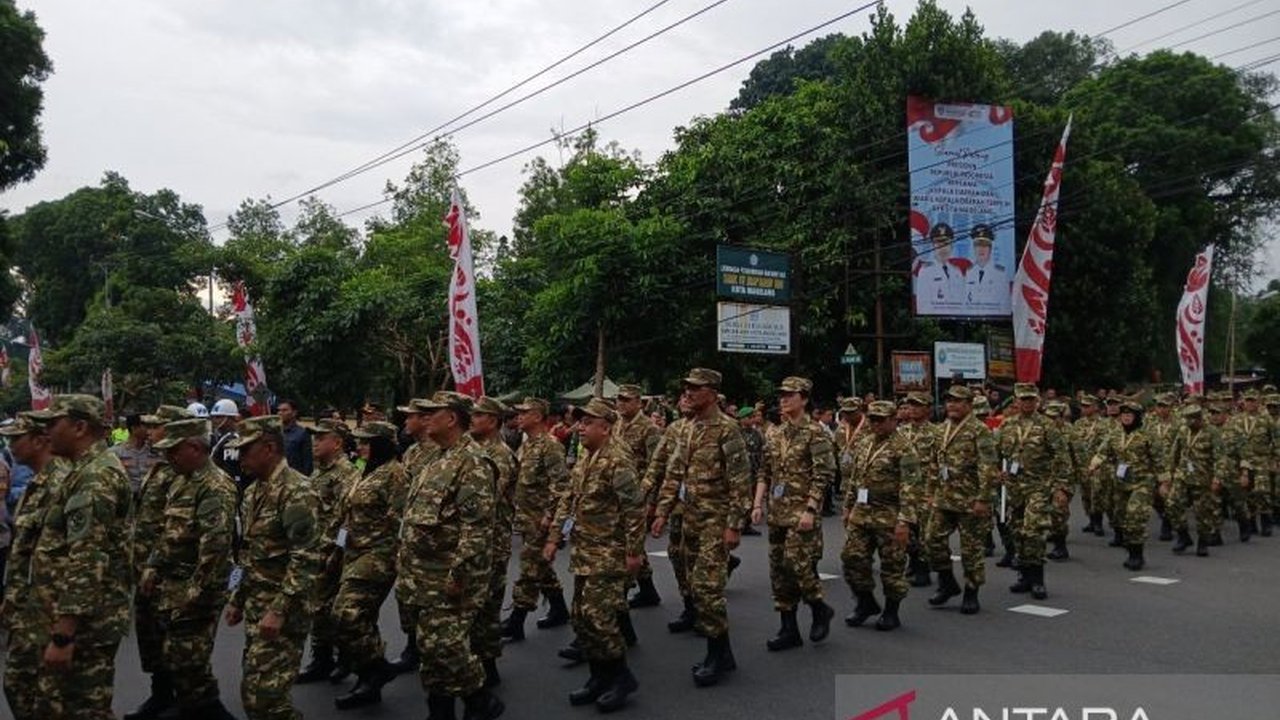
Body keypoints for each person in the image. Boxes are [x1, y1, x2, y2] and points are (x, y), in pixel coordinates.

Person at [396, 392, 504, 720]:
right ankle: (440, 710)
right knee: (429, 649)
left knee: (446, 645)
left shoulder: (472, 462)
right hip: (421, 574)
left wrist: (459, 574)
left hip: (449, 575)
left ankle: (481, 701)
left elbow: (477, 528)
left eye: (432, 413)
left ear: (452, 418)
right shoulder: (435, 459)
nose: (425, 418)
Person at [28, 395, 133, 718]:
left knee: (82, 708)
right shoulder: (84, 469)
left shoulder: (95, 476)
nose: (46, 432)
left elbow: (88, 557)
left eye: (52, 423)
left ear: (79, 427)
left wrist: (64, 633)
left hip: (87, 624)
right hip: (82, 618)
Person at [544, 397, 645, 712]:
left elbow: (634, 509)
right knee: (582, 618)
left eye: (587, 423)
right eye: (580, 422)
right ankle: (598, 676)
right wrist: (553, 537)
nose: (580, 428)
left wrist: (634, 552)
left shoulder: (617, 460)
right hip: (585, 552)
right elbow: (568, 501)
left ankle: (621, 677)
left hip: (609, 554)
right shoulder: (585, 458)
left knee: (600, 619)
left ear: (606, 427)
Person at [652, 368, 751, 688]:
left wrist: (734, 525)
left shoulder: (728, 429)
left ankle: (716, 654)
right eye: (687, 387)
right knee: (695, 587)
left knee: (708, 590)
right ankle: (724, 653)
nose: (689, 392)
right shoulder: (688, 428)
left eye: (695, 388)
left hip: (716, 520)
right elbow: (673, 474)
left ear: (712, 392)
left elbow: (740, 482)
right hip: (691, 517)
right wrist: (662, 512)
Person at [224, 415, 323, 720]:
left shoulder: (297, 491)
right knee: (255, 693)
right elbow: (246, 551)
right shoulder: (254, 492)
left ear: (268, 447)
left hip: (284, 609)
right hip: (257, 604)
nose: (239, 458)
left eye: (245, 450)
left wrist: (279, 610)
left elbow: (305, 558)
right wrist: (236, 596)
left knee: (264, 699)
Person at [143, 418, 238, 720]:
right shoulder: (182, 480)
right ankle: (192, 708)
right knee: (177, 660)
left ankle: (207, 711)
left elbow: (215, 551)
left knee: (189, 661)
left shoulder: (214, 486)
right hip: (172, 587)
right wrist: (153, 565)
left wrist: (192, 596)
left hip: (196, 591)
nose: (168, 457)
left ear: (195, 448)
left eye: (174, 450)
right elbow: (170, 530)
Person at [751, 377, 836, 649]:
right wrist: (757, 504)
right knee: (778, 571)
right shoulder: (774, 433)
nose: (783, 399)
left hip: (802, 512)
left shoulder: (816, 432)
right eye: (782, 394)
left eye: (790, 394)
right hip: (777, 512)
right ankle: (789, 629)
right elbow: (764, 471)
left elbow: (824, 474)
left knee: (797, 564)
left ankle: (819, 607)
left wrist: (811, 509)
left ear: (804, 399)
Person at [331, 421, 407, 709]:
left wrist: (398, 560)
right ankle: (370, 679)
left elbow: (401, 522)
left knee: (346, 614)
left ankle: (376, 667)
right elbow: (349, 516)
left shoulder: (395, 474)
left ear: (382, 444)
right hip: (352, 552)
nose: (359, 446)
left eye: (366, 441)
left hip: (378, 555)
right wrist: (336, 551)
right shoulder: (364, 469)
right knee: (361, 618)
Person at [0, 413, 72, 720]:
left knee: (52, 701)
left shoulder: (61, 483)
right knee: (18, 686)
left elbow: (80, 559)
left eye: (18, 438)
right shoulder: (37, 482)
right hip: (27, 609)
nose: (11, 445)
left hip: (51, 612)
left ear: (41, 440)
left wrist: (65, 631)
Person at [126, 405, 193, 720]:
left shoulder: (180, 473)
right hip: (145, 567)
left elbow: (176, 528)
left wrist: (157, 565)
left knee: (170, 637)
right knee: (150, 635)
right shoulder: (159, 466)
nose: (149, 432)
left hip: (166, 570)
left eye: (156, 427)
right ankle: (161, 693)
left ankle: (181, 699)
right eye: (148, 427)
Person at [840, 400, 920, 630]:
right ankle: (865, 603)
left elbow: (910, 487)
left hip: (890, 516)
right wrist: (847, 506)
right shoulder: (865, 443)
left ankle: (891, 611)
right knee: (851, 558)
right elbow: (855, 478)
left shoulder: (904, 448)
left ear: (894, 420)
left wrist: (904, 521)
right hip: (862, 514)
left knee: (892, 566)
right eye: (872, 418)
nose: (874, 423)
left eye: (880, 419)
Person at [297, 418, 361, 685]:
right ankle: (322, 659)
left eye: (321, 438)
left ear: (337, 443)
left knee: (335, 609)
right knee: (318, 607)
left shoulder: (347, 474)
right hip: (315, 549)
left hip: (332, 551)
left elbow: (346, 518)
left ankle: (346, 659)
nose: (315, 442)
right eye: (314, 437)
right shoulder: (319, 471)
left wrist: (336, 551)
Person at [501, 397, 570, 642]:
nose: (518, 416)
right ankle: (560, 609)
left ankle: (516, 620)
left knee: (530, 568)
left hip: (541, 518)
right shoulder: (527, 444)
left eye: (524, 412)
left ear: (538, 417)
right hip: (526, 516)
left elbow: (561, 486)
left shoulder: (550, 446)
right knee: (541, 565)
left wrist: (551, 517)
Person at [924, 386, 998, 614]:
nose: (951, 405)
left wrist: (984, 499)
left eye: (957, 401)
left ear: (968, 404)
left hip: (970, 500)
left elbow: (988, 468)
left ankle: (971, 591)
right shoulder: (941, 429)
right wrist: (930, 492)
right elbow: (934, 464)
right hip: (944, 498)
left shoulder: (979, 430)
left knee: (971, 550)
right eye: (948, 401)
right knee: (931, 540)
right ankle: (947, 583)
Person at [995, 384, 1068, 600]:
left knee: (1034, 531)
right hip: (1014, 488)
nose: (1026, 403)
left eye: (1030, 399)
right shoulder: (1007, 425)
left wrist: (1061, 487)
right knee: (1017, 532)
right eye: (1022, 399)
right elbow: (995, 453)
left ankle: (1037, 579)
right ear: (1016, 401)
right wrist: (996, 471)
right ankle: (1024, 576)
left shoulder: (1047, 426)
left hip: (1039, 487)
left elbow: (1061, 457)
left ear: (1037, 401)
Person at [390, 397, 444, 673]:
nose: (405, 421)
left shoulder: (441, 453)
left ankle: (430, 648)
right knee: (407, 593)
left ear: (425, 420)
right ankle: (412, 644)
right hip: (409, 531)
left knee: (431, 599)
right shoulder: (411, 453)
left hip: (433, 537)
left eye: (410, 416)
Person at [469, 397, 519, 689]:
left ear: (493, 421)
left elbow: (485, 499)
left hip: (492, 541)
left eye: (478, 415)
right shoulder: (476, 451)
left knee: (487, 606)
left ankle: (488, 667)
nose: (473, 420)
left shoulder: (499, 455)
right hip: (478, 540)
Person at [1089, 399, 1160, 570]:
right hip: (1121, 482)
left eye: (1130, 414)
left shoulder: (1147, 434)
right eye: (1124, 414)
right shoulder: (1114, 433)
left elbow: (1160, 459)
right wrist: (1094, 464)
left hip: (1142, 482)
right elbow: (1102, 452)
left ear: (1137, 417)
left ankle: (1137, 555)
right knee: (1120, 517)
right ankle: (1129, 545)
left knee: (1135, 515)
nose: (1126, 417)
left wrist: (1164, 482)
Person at [612, 383, 663, 609]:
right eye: (619, 399)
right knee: (631, 542)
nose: (620, 403)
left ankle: (619, 595)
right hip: (619, 494)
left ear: (639, 403)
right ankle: (647, 590)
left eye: (626, 400)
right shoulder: (616, 425)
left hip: (639, 494)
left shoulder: (649, 429)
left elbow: (657, 465)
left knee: (629, 543)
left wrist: (652, 502)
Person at [1163, 404, 1223, 556]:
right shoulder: (1183, 431)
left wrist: (1217, 478)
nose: (1189, 423)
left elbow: (1220, 458)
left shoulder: (1212, 432)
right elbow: (1174, 454)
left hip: (1202, 478)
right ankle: (1183, 536)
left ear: (1200, 419)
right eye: (1187, 420)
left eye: (1192, 420)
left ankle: (1202, 542)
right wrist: (1167, 476)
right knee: (1171, 504)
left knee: (1202, 512)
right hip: (1182, 475)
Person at [964, 224, 1007, 308]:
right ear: (974, 248)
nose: (981, 249)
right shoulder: (968, 272)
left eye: (985, 245)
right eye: (978, 245)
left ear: (990, 249)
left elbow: (1004, 301)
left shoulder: (1000, 274)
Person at [110, 413, 154, 495]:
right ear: (134, 429)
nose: (149, 431)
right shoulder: (115, 453)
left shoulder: (156, 451)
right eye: (146, 427)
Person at [209, 399, 243, 487]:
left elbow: (231, 471)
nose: (215, 420)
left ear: (230, 418)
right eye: (214, 417)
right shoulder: (221, 437)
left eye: (219, 417)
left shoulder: (233, 440)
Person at [276, 399, 313, 475]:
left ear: (294, 413)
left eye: (284, 410)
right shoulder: (275, 433)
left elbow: (307, 463)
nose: (280, 413)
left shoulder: (302, 433)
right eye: (279, 410)